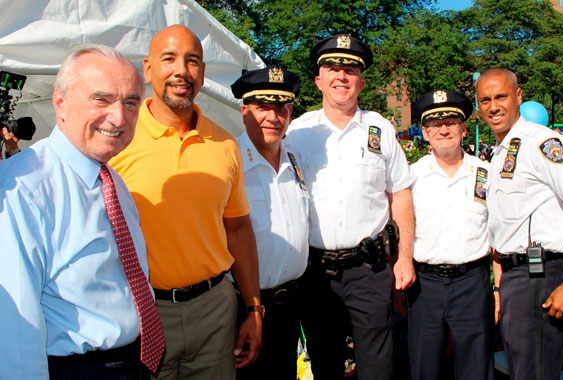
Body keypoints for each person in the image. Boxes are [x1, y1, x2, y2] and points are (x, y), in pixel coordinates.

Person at [0, 44, 164, 379]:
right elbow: (15, 330)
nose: (118, 117)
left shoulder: (110, 178)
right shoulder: (23, 188)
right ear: (59, 102)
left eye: (131, 102)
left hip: (133, 362)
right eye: (101, 99)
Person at [109, 25, 262, 379]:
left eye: (192, 61)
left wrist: (254, 309)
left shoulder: (225, 145)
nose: (181, 70)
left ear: (203, 73)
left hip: (214, 313)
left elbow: (237, 227)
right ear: (148, 69)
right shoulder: (118, 139)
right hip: (141, 310)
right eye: (169, 59)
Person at [286, 34, 416, 380]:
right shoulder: (296, 133)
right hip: (315, 273)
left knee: (377, 367)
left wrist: (404, 258)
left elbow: (400, 193)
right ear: (319, 80)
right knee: (325, 364)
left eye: (350, 69)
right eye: (332, 68)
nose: (341, 76)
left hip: (369, 270)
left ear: (360, 80)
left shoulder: (381, 129)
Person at [477, 68, 563, 380]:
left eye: (501, 96)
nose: (493, 106)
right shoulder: (500, 152)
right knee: (523, 371)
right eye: (485, 100)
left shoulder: (542, 143)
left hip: (542, 275)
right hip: (516, 280)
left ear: (518, 97)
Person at [408, 90, 494, 380]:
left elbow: (498, 235)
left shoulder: (486, 174)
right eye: (434, 124)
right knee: (424, 367)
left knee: (476, 368)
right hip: (425, 286)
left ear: (463, 128)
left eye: (451, 122)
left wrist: (499, 291)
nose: (443, 129)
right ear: (424, 132)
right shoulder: (411, 176)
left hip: (473, 283)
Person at [230, 66, 308, 380]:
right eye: (263, 107)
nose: (273, 117)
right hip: (246, 308)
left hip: (294, 304)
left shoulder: (295, 159)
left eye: (281, 108)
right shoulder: (228, 160)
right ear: (245, 110)